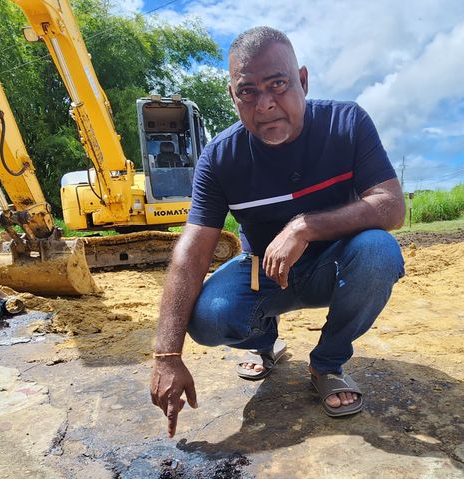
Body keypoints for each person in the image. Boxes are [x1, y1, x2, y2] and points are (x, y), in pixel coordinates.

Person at [149, 26, 406, 438]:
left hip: (336, 265)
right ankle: (264, 341)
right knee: (210, 318)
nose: (265, 104)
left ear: (302, 81)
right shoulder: (220, 158)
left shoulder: (347, 123)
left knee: (379, 251)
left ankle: (327, 364)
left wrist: (305, 226)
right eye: (248, 91)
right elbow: (191, 252)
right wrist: (166, 355)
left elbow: (391, 206)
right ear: (233, 96)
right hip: (263, 272)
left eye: (278, 84)